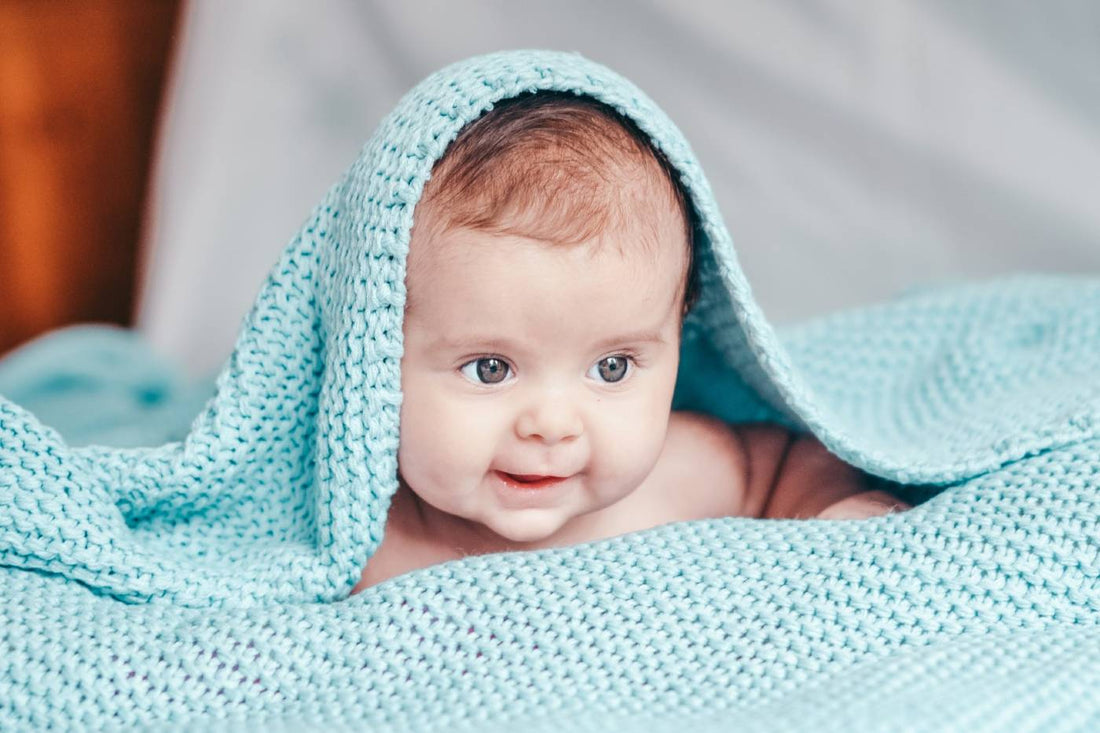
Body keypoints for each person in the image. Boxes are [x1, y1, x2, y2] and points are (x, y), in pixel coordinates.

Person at [353, 92, 907, 592]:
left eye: (612, 367)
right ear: (376, 356)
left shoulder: (679, 478)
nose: (552, 425)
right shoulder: (358, 545)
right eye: (490, 368)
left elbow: (787, 459)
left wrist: (830, 508)